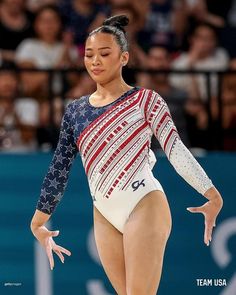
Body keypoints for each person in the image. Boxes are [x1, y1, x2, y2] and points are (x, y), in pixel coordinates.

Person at [30, 15, 223, 295]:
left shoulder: (146, 100)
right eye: (89, 55)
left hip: (143, 202)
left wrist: (212, 194)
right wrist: (37, 222)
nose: (95, 61)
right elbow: (59, 168)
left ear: (124, 57)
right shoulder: (75, 111)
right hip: (104, 213)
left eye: (104, 54)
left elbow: (175, 149)